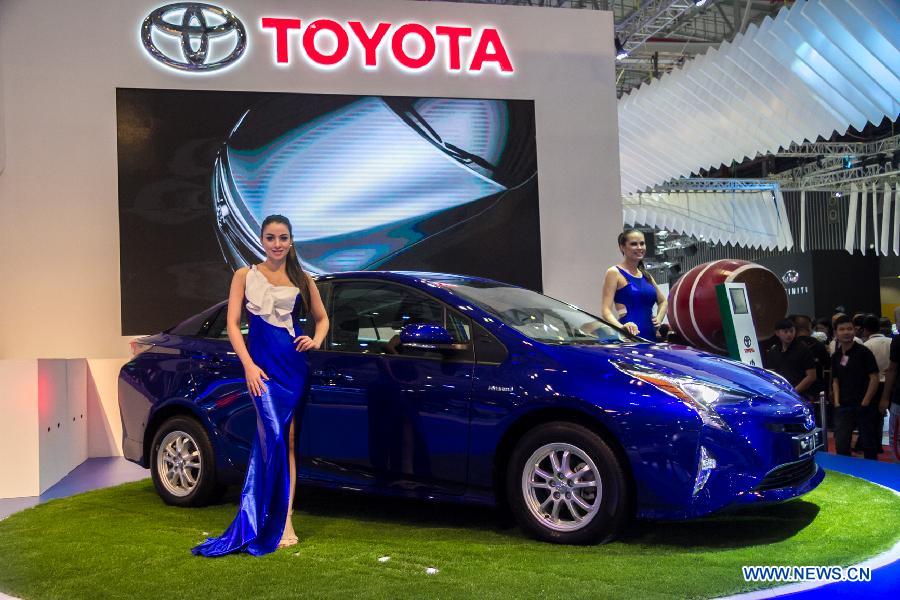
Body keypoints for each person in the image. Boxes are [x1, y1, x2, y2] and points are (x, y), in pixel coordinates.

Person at [193, 214, 329, 556]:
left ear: (291, 241)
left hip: (293, 367)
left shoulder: (302, 278)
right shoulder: (244, 275)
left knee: (290, 440)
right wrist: (249, 367)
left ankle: (285, 520)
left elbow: (323, 319)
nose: (277, 244)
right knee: (274, 437)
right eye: (271, 237)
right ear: (262, 239)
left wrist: (315, 339)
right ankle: (264, 516)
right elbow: (233, 324)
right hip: (262, 370)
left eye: (283, 238)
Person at [601, 229, 667, 339]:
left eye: (642, 243)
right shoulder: (614, 272)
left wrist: (659, 319)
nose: (639, 247)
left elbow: (663, 301)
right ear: (622, 247)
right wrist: (621, 328)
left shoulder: (647, 276)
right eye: (633, 244)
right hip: (629, 337)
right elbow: (605, 311)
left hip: (651, 336)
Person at [831, 315, 880, 460]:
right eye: (842, 329)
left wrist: (865, 401)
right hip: (844, 406)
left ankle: (872, 475)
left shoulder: (864, 352)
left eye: (849, 329)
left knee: (868, 444)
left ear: (854, 331)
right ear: (836, 333)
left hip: (864, 406)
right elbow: (835, 380)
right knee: (841, 444)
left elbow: (874, 378)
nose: (846, 332)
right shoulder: (836, 356)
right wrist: (838, 402)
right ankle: (846, 474)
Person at [766, 318, 816, 398]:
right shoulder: (773, 351)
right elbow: (771, 374)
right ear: (777, 333)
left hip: (800, 393)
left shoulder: (803, 349)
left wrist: (793, 392)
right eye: (785, 331)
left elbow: (811, 376)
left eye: (791, 331)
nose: (789, 334)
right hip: (780, 393)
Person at [863, 315, 892, 453]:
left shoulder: (866, 346)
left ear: (865, 330)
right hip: (892, 384)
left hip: (874, 385)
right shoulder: (891, 341)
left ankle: (876, 445)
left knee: (874, 417)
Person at [791, 315, 830, 401]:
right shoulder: (819, 346)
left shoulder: (789, 346)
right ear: (809, 327)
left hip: (794, 391)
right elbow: (827, 365)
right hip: (816, 393)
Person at [881, 331, 899, 453]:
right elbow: (892, 370)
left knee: (896, 438)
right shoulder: (897, 341)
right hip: (899, 398)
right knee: (896, 438)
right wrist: (885, 397)